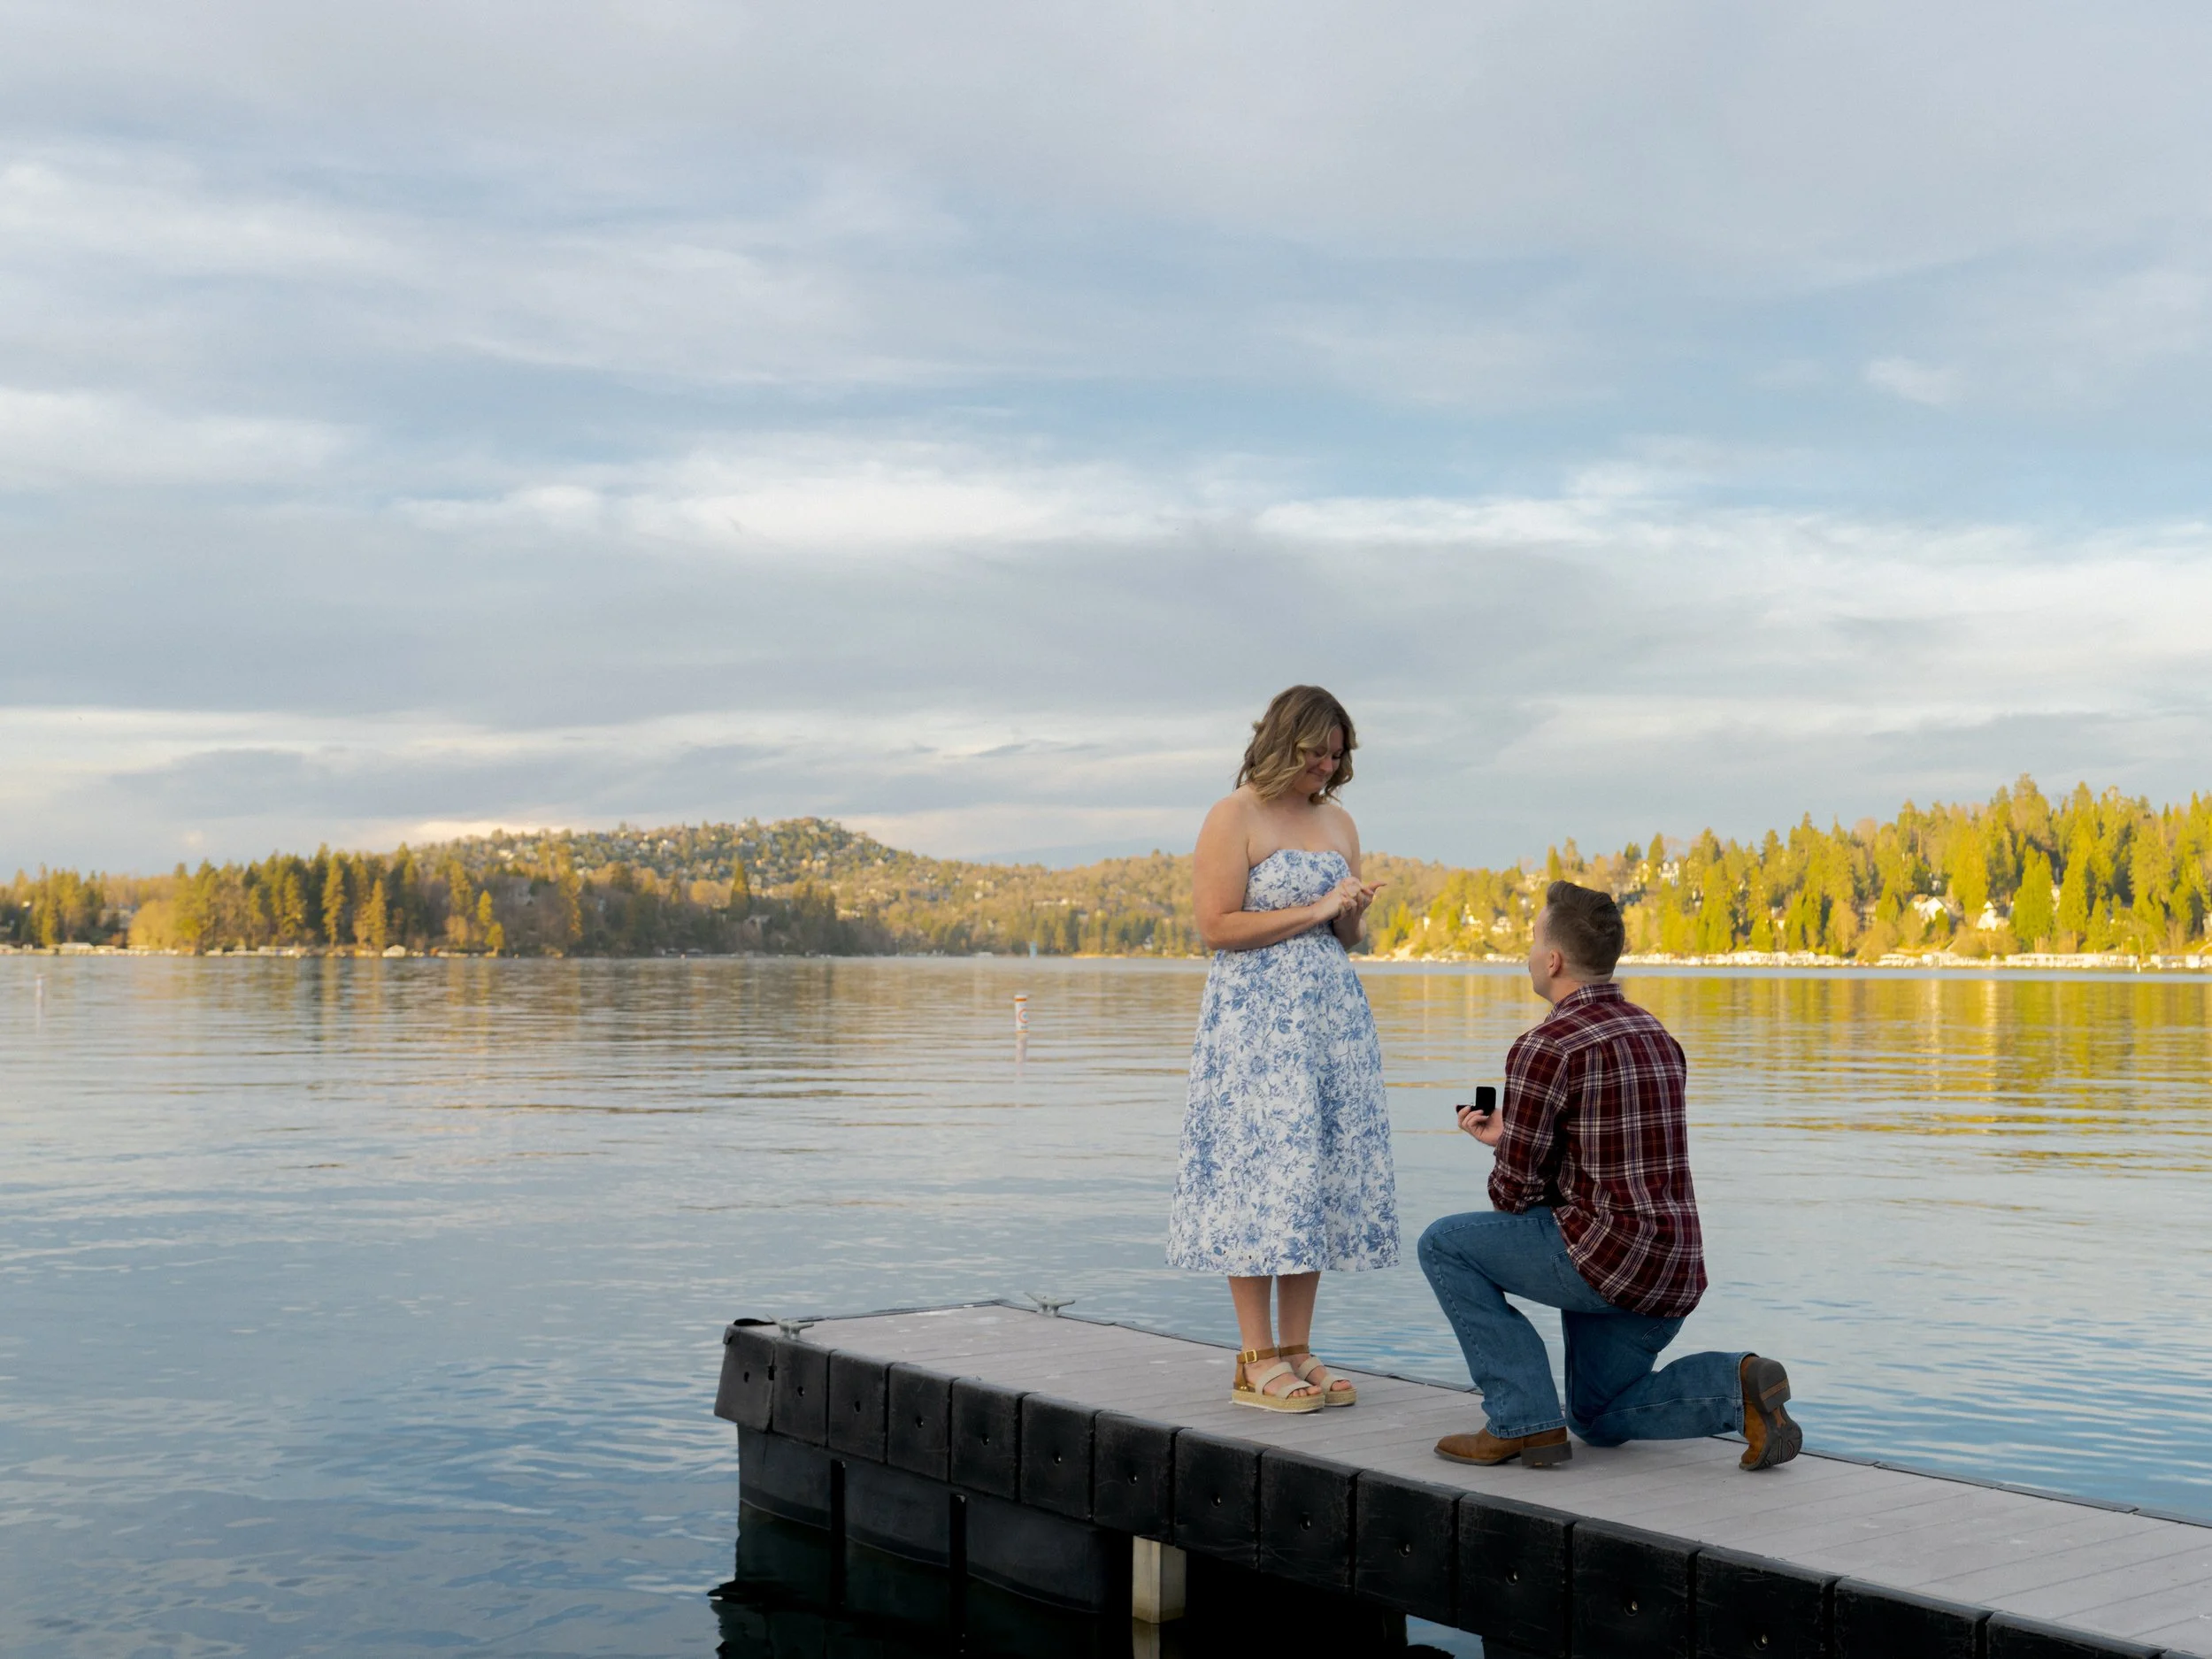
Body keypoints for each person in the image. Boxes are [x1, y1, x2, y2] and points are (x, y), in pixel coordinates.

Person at [1418, 880, 1801, 1469]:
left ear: (1553, 959)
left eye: (1532, 941)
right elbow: (1611, 1155)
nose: (1528, 954)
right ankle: (1737, 1386)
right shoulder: (1657, 1034)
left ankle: (1523, 1420)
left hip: (1605, 1262)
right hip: (1670, 1269)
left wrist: (1507, 1149)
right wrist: (1517, 1134)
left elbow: (1515, 1194)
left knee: (1443, 1244)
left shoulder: (1545, 1045)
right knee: (1595, 1417)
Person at [1167, 685, 1400, 1413]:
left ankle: (1298, 1348)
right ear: (1284, 742)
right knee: (1255, 1172)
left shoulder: (1339, 821)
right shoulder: (1233, 814)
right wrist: (1315, 908)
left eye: (1337, 755)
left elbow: (1342, 939)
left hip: (1328, 1017)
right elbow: (1215, 926)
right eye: (1316, 753)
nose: (1327, 767)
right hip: (1254, 1022)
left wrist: (1350, 917)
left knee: (1313, 1174)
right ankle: (1254, 1355)